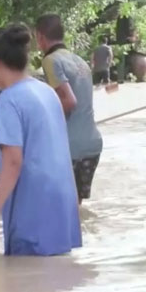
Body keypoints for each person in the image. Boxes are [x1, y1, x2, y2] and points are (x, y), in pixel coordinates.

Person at [0, 23, 82, 256]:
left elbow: (13, 162)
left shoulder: (9, 100)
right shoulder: (47, 92)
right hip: (62, 207)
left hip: (32, 208)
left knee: (24, 286)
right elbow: (53, 148)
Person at [35, 14, 103, 204]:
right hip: (92, 145)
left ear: (40, 37)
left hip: (70, 147)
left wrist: (42, 126)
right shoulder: (80, 61)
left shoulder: (51, 60)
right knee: (74, 209)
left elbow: (69, 101)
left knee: (57, 207)